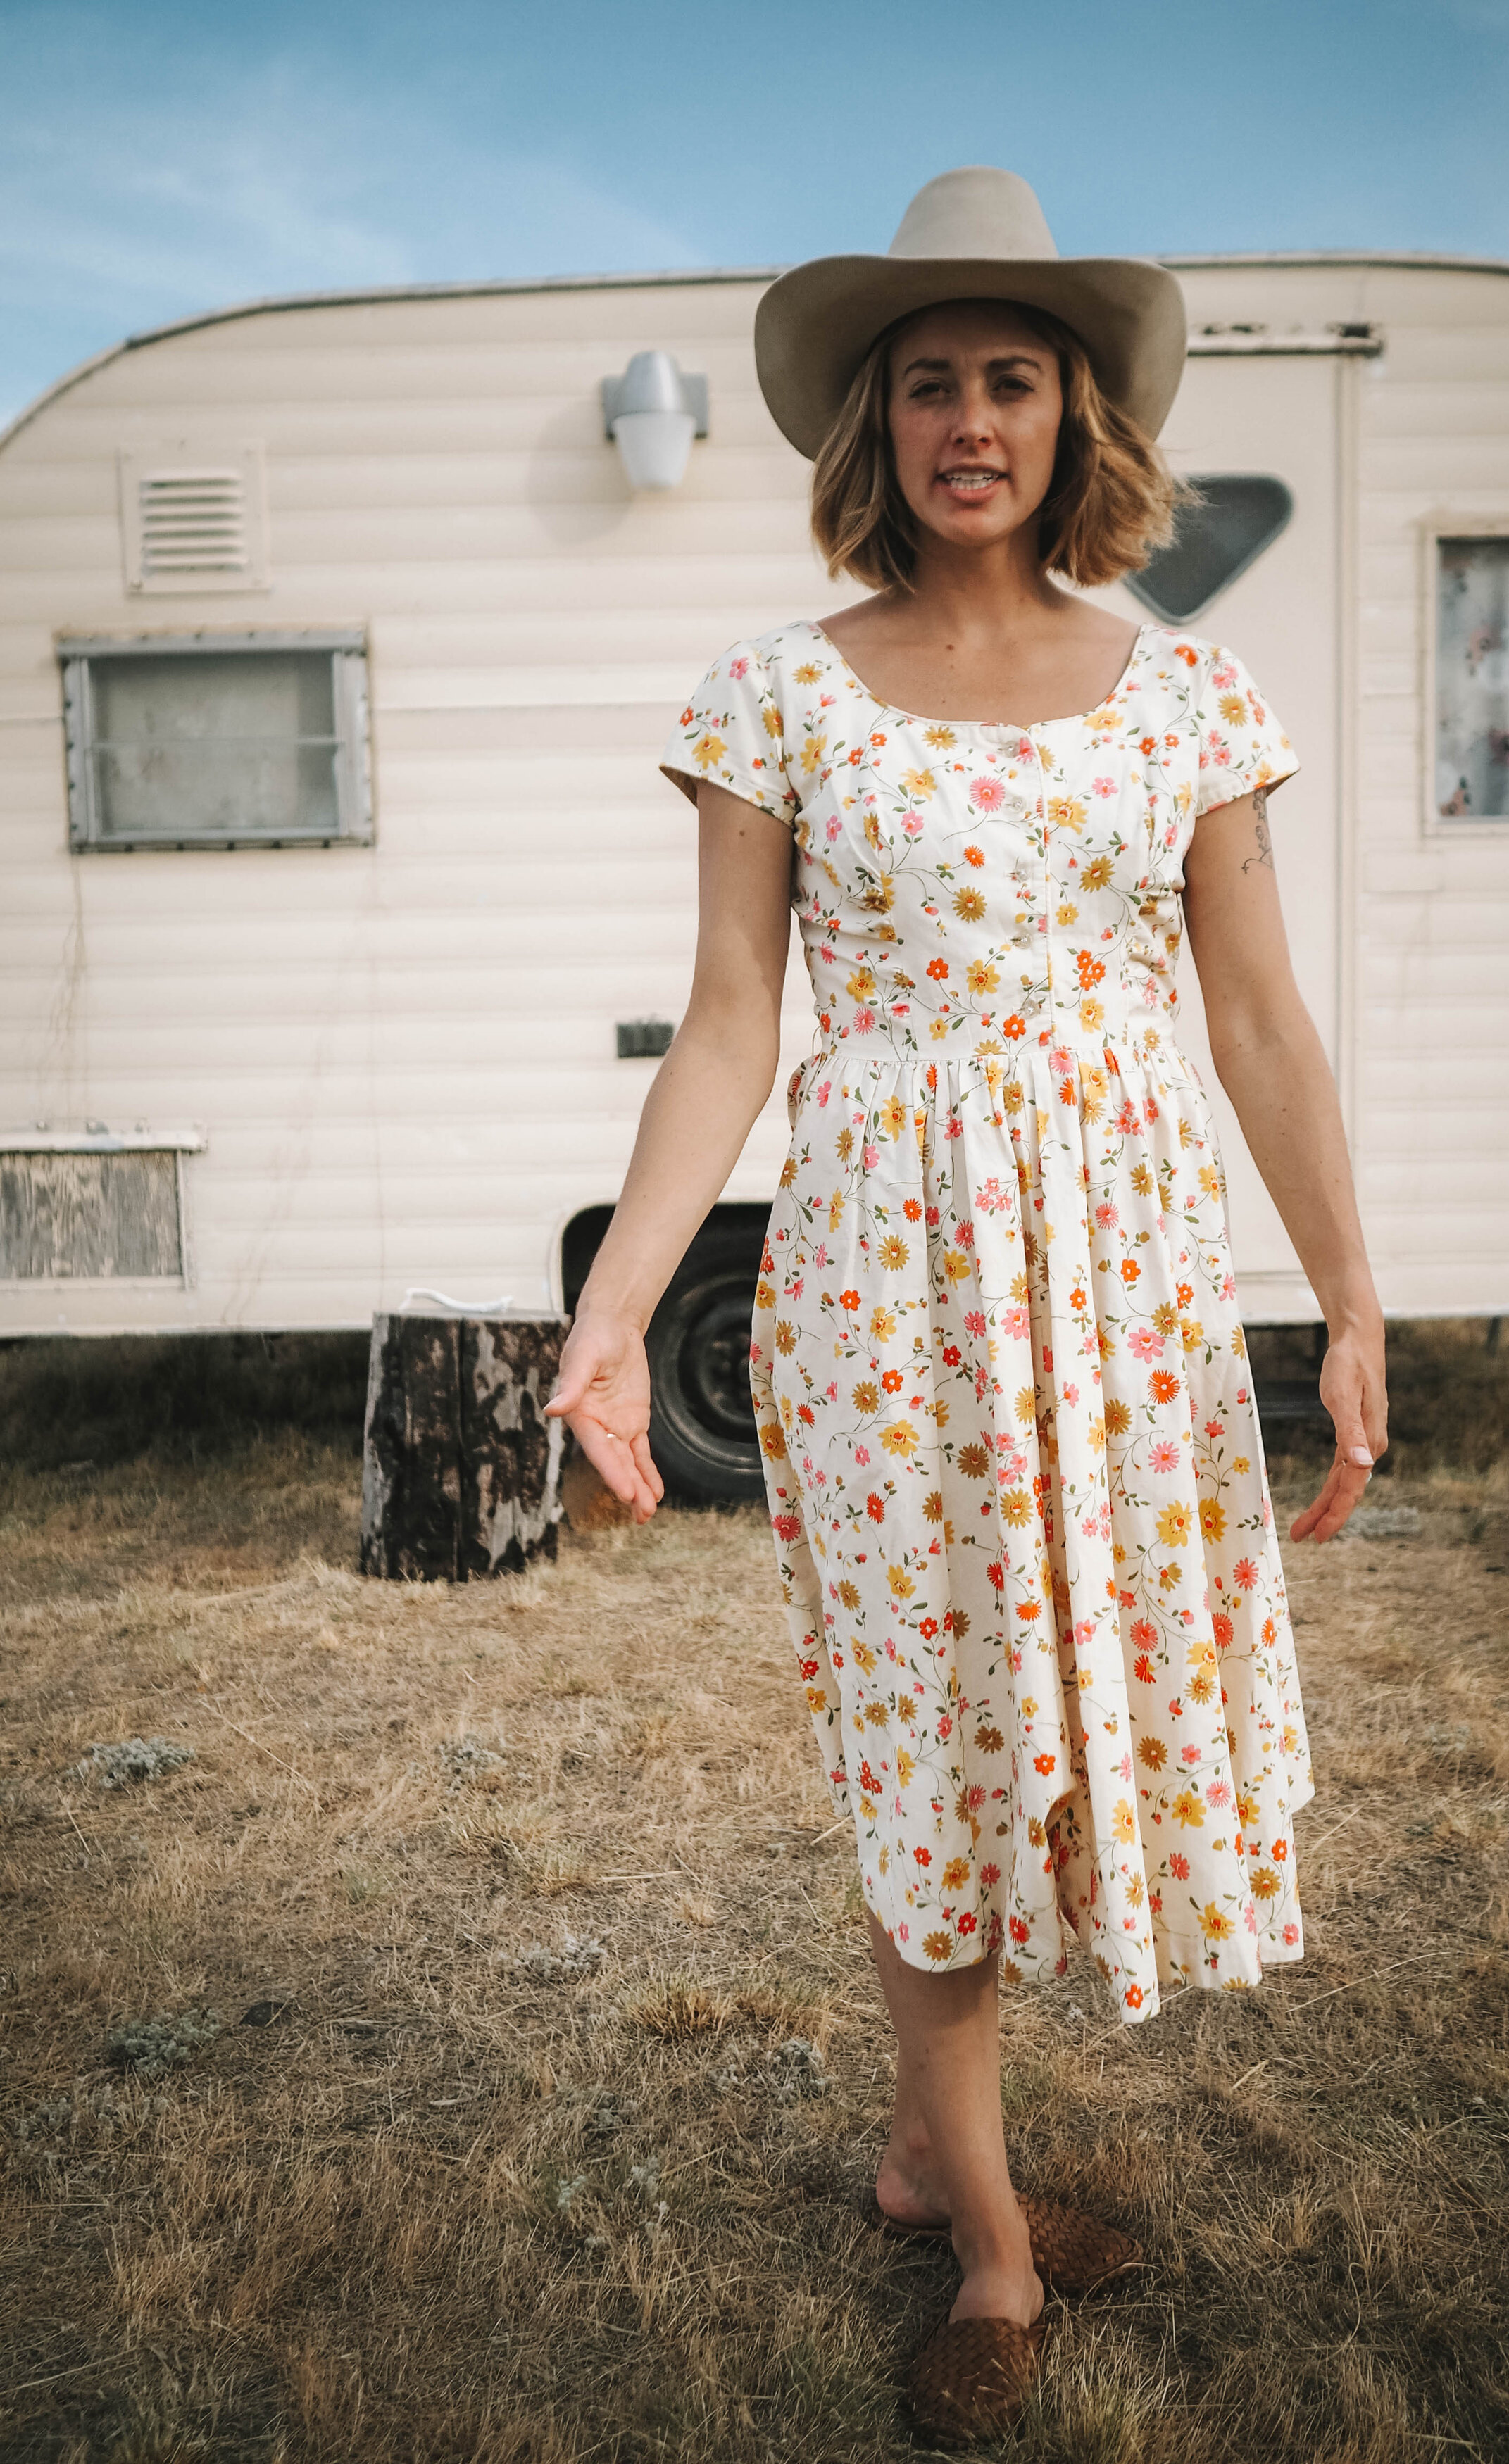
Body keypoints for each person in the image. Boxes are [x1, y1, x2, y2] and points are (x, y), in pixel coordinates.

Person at [546, 165, 1388, 2444]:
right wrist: (620, 1302)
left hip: (1117, 1278)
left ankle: (933, 2149)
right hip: (883, 1279)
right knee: (935, 1730)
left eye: (1008, 375)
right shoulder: (780, 696)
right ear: (875, 427)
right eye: (927, 382)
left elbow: (1265, 1025)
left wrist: (1346, 1294)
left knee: (1070, 1729)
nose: (968, 419)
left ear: (1073, 408)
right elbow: (728, 1019)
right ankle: (994, 2252)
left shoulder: (1188, 694)